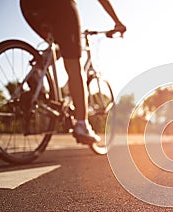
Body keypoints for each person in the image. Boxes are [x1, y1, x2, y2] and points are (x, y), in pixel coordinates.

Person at [19, 0, 126, 144]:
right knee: (74, 65)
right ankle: (82, 124)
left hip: (28, 6)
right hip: (59, 6)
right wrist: (117, 22)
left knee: (61, 44)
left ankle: (37, 71)